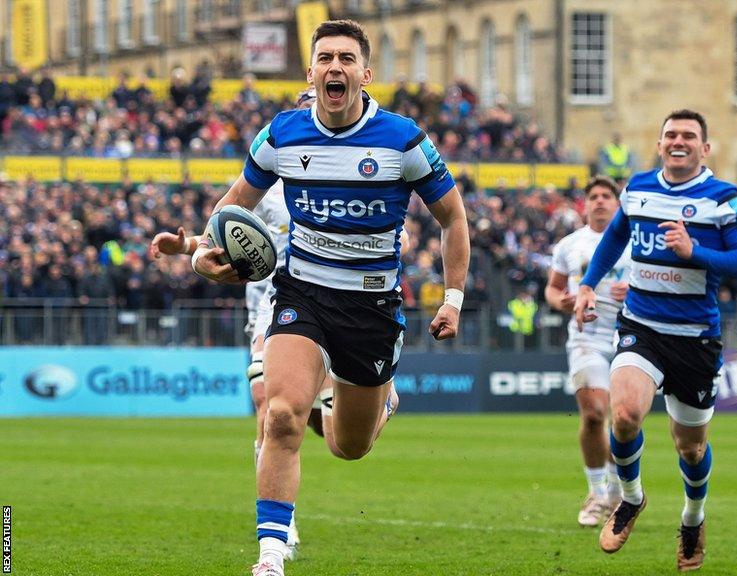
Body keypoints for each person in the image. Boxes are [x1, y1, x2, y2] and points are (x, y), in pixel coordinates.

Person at [158, 20, 470, 576]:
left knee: (347, 447)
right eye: (325, 57)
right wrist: (203, 249)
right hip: (301, 292)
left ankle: (383, 400)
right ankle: (271, 555)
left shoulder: (403, 139)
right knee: (279, 416)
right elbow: (236, 203)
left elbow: (452, 217)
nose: (335, 67)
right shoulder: (281, 134)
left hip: (371, 307)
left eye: (346, 59)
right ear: (311, 71)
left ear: (365, 73)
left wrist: (452, 298)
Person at [574, 110, 737, 571]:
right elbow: (616, 234)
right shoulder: (638, 187)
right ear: (660, 144)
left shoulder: (725, 200)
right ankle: (632, 499)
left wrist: (694, 252)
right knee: (623, 415)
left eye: (689, 136)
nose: (678, 142)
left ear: (705, 148)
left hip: (696, 339)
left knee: (690, 446)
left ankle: (693, 518)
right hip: (642, 327)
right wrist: (587, 283)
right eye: (670, 135)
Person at [545, 175, 629, 527]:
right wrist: (561, 303)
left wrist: (637, 293)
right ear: (584, 204)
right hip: (587, 336)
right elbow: (552, 289)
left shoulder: (635, 242)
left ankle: (618, 493)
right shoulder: (570, 245)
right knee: (595, 413)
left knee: (624, 418)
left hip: (630, 336)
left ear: (617, 202)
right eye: (593, 196)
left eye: (606, 196)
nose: (599, 201)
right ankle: (597, 493)